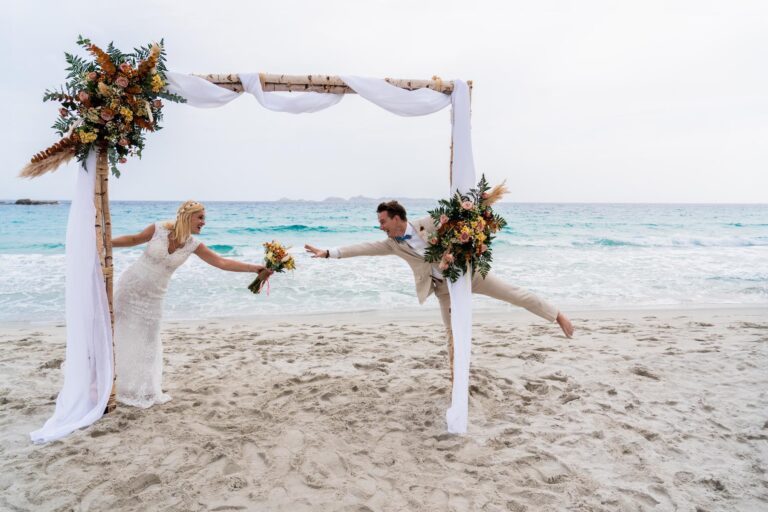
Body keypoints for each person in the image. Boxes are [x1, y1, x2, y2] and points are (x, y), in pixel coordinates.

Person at [305, 200, 573, 364]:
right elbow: (362, 247)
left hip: (469, 275)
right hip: (443, 289)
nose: (381, 226)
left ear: (397, 218)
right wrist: (329, 253)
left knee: (516, 295)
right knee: (451, 334)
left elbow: (464, 221)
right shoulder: (392, 244)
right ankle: (458, 379)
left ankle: (556, 315)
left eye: (383, 221)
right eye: (379, 223)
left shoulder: (431, 223)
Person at [111, 200, 271, 408]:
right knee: (117, 333)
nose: (204, 222)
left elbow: (222, 263)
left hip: (154, 297)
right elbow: (133, 239)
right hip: (130, 288)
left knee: (149, 341)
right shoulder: (158, 229)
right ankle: (109, 381)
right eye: (201, 217)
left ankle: (144, 389)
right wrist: (105, 241)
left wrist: (255, 269)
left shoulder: (193, 244)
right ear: (188, 216)